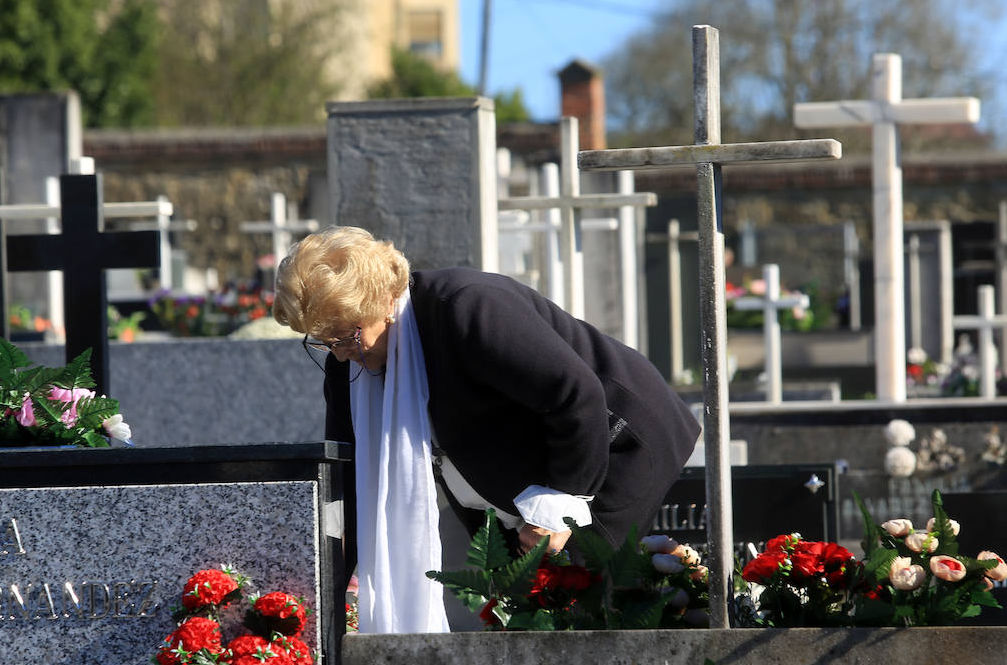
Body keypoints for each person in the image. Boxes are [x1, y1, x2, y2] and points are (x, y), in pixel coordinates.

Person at [273, 226, 700, 633]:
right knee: (527, 612)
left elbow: (575, 394)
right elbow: (346, 473)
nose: (344, 355)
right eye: (325, 341)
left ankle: (688, 591)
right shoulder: (346, 364)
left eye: (348, 336)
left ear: (384, 300)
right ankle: (664, 566)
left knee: (573, 604)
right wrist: (329, 577)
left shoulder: (468, 306)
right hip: (511, 482)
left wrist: (555, 510)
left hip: (611, 445)